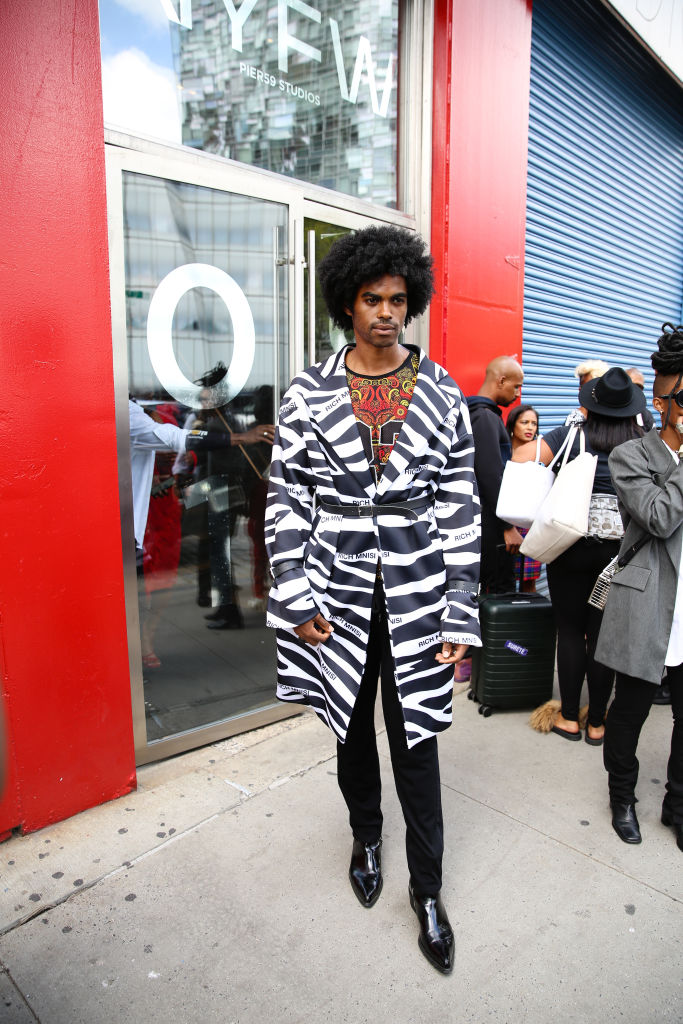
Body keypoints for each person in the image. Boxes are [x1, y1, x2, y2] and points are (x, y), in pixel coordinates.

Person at [265, 224, 481, 975]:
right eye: (370, 299)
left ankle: (427, 890)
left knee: (414, 743)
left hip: (418, 594)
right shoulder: (308, 392)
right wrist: (293, 589)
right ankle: (365, 836)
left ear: (410, 301)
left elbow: (458, 507)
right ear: (346, 304)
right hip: (336, 591)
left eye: (397, 299)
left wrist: (461, 606)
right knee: (350, 733)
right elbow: (287, 497)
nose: (385, 312)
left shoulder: (444, 391)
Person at [513, 368, 645, 744]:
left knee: (570, 631)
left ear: (591, 404)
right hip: (619, 555)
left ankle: (569, 717)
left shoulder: (574, 433)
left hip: (569, 547)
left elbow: (523, 456)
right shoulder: (641, 440)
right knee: (603, 637)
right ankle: (598, 724)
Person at [595, 324, 683, 850]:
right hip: (650, 604)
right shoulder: (631, 456)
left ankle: (677, 804)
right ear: (662, 398)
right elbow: (657, 517)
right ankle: (622, 797)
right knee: (628, 713)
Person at [467, 357, 524, 593]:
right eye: (516, 386)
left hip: (485, 523)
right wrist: (507, 526)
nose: (518, 394)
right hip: (491, 527)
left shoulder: (480, 415)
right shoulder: (485, 418)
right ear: (501, 381)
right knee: (498, 591)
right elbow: (490, 475)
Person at [505, 404, 542, 593]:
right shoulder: (502, 451)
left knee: (529, 581)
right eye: (524, 422)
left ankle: (529, 621)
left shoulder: (540, 453)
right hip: (504, 522)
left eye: (534, 424)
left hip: (531, 525)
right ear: (513, 425)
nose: (530, 428)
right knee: (503, 578)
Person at [564, 359, 610, 426]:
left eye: (585, 387)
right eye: (580, 386)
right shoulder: (576, 417)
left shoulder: (617, 418)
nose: (580, 390)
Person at [625, 366, 656, 433]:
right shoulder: (609, 411)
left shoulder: (646, 416)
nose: (636, 390)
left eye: (639, 387)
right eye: (632, 385)